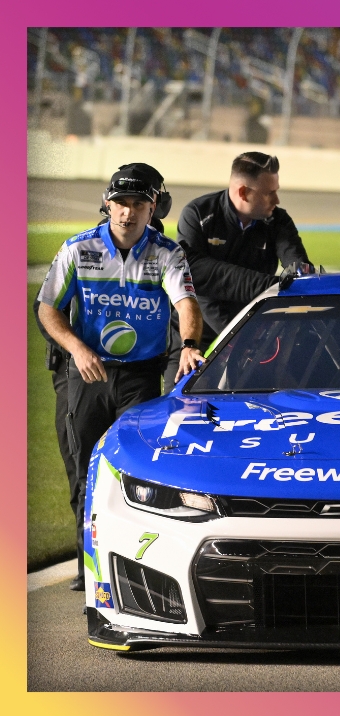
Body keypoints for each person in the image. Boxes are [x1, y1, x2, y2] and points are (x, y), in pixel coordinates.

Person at [36, 163, 204, 591]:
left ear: (153, 209)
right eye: (121, 203)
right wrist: (77, 348)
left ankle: (135, 568)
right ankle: (86, 568)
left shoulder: (168, 253)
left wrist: (188, 344)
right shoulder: (76, 249)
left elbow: (186, 303)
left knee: (135, 469)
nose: (128, 213)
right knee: (83, 468)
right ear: (107, 205)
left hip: (141, 377)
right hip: (86, 371)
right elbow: (47, 309)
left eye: (138, 204)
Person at [170, 152, 310, 390]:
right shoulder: (199, 214)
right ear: (243, 192)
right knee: (182, 406)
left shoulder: (278, 221)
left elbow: (299, 272)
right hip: (196, 332)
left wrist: (299, 272)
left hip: (253, 331)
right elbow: (193, 272)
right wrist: (271, 285)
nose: (276, 199)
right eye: (269, 193)